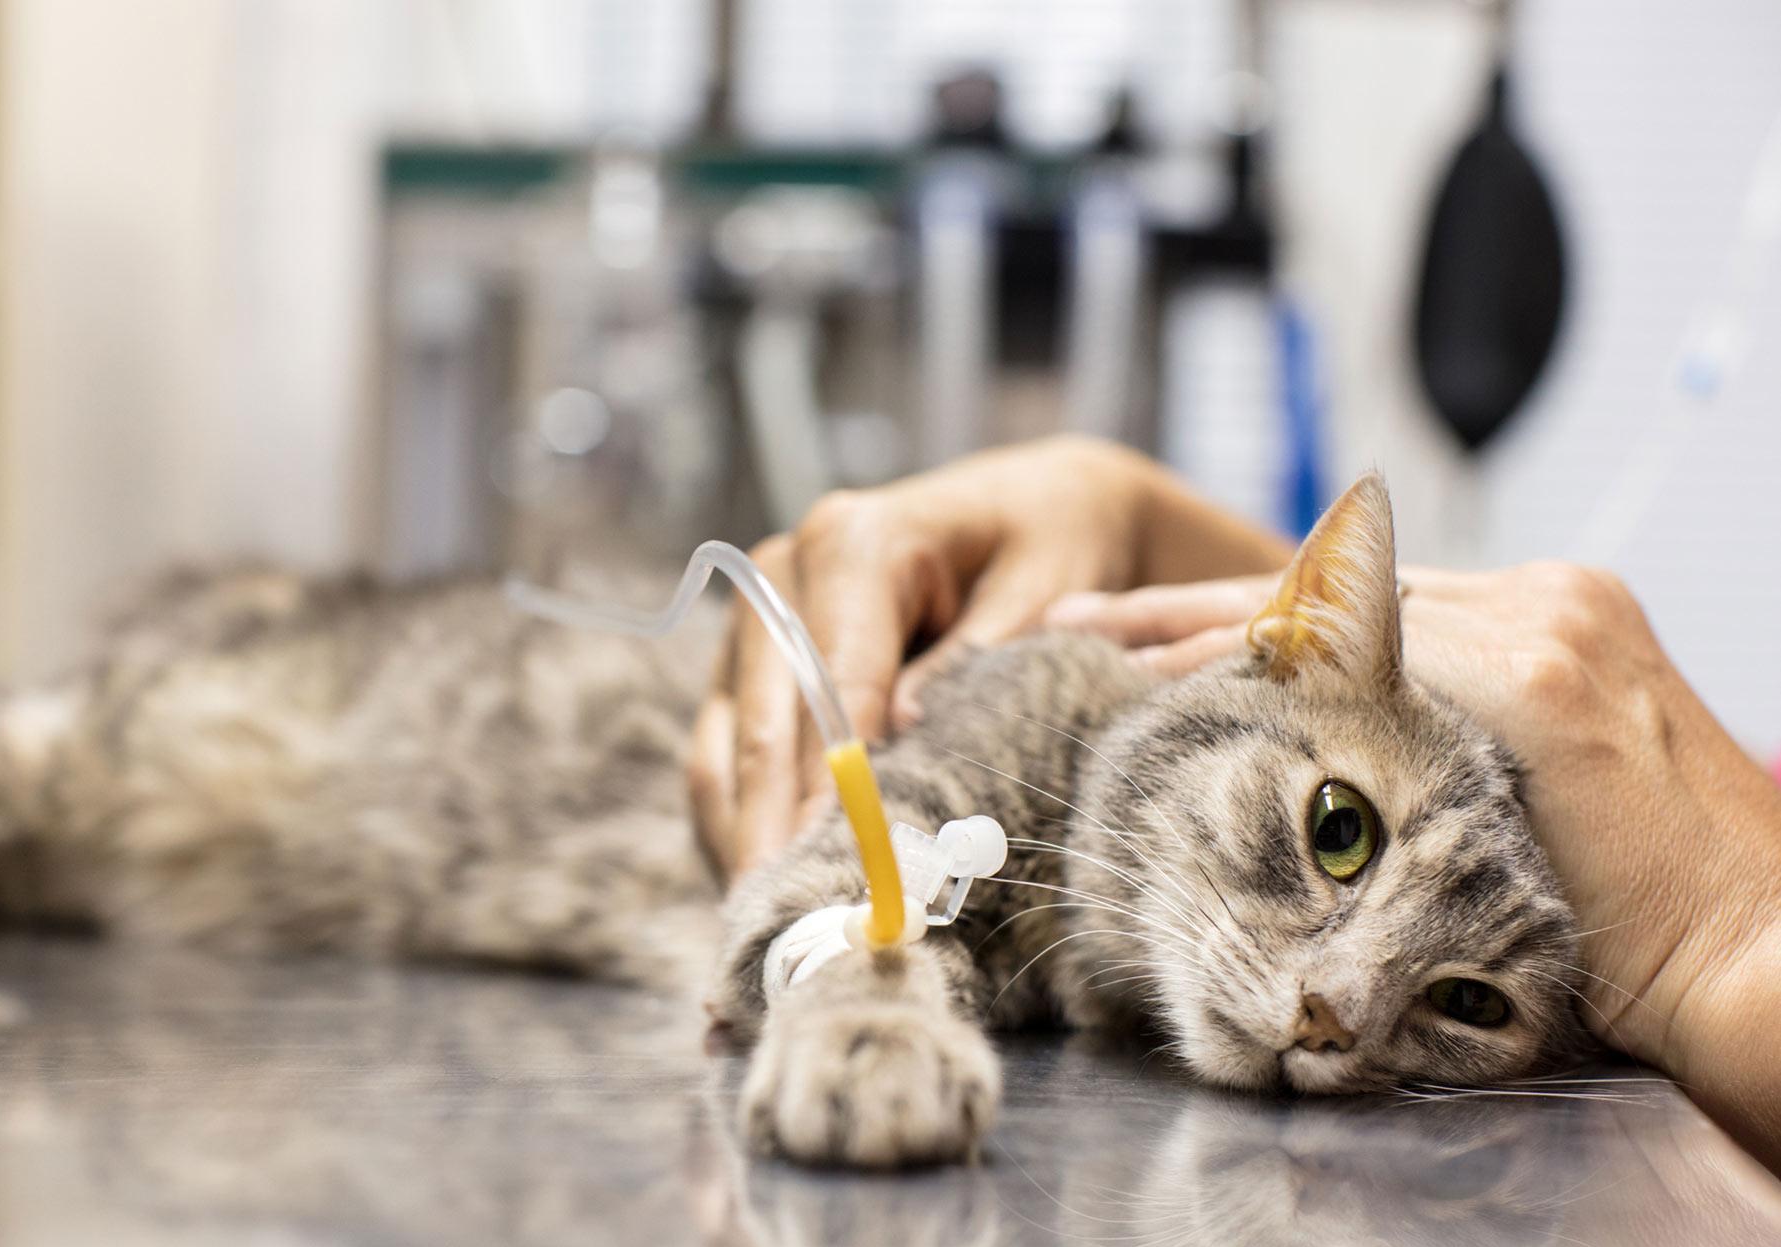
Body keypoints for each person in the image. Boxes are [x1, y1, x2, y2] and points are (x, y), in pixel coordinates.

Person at [690, 436, 1781, 1165]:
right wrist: (862, 992)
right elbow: (808, 909)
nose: (1338, 1009)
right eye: (1339, 835)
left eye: (1473, 1002)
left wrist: (1735, 927)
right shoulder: (1056, 705)